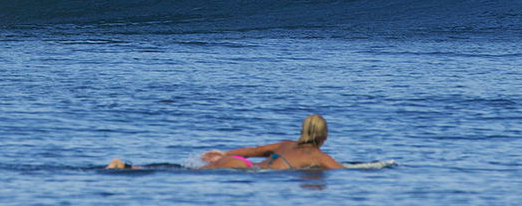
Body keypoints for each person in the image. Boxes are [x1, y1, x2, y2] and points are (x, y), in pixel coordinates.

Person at [105, 114, 344, 170]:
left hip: (237, 161)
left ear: (302, 131)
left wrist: (223, 152)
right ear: (324, 137)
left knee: (186, 173)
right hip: (243, 169)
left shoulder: (286, 144)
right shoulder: (319, 157)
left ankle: (126, 166)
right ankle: (125, 167)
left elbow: (252, 150)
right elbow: (345, 172)